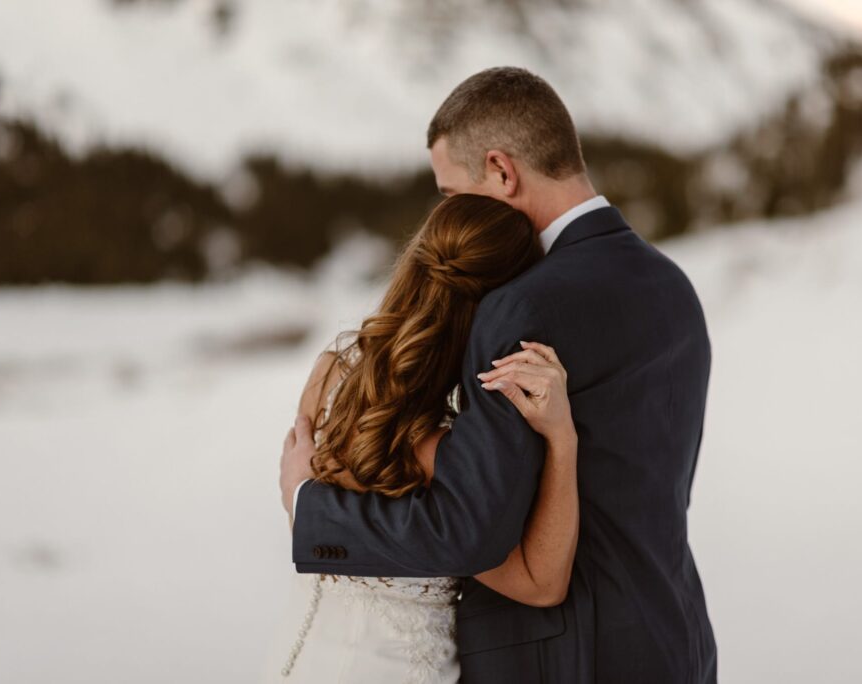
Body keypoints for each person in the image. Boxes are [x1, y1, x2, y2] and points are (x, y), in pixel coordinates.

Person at [280, 65, 717, 682]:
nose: (448, 218)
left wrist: (310, 507)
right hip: (674, 641)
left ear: (503, 171)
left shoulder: (520, 306)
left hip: (553, 659)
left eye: (453, 194)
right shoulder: (674, 288)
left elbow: (468, 528)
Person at [274, 193, 579, 683]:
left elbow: (303, 512)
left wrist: (302, 499)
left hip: (302, 660)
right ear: (500, 305)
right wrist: (563, 439)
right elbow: (541, 584)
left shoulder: (331, 373)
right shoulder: (442, 449)